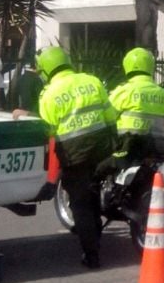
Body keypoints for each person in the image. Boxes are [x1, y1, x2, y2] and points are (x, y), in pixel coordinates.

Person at [33, 45, 116, 268]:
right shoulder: (92, 81)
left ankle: (92, 256)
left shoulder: (48, 95)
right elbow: (111, 117)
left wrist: (51, 176)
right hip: (102, 151)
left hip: (74, 155)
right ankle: (96, 237)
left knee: (81, 205)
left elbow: (49, 133)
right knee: (94, 196)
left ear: (47, 70)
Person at [109, 47, 164, 154]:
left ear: (127, 66)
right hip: (155, 147)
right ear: (150, 66)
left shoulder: (122, 91)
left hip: (126, 148)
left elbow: (108, 118)